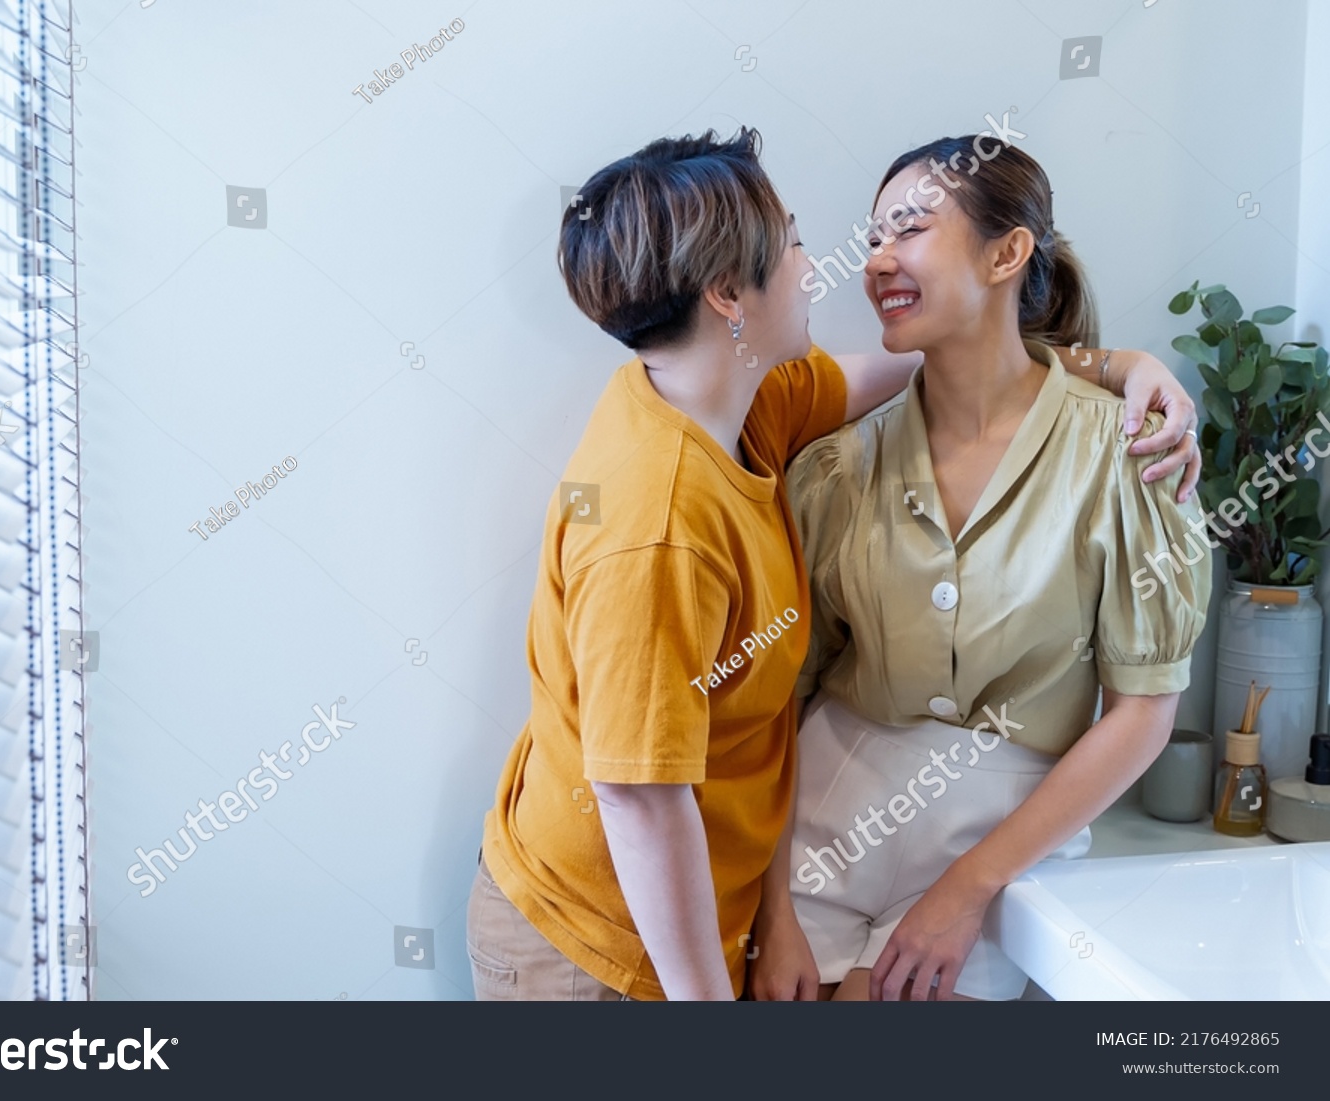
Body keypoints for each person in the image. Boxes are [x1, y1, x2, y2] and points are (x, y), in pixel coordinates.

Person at [468, 127, 1202, 1001]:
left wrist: (1117, 365)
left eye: (906, 230)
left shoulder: (753, 401)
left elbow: (945, 375)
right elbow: (639, 799)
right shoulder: (663, 517)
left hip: (741, 900)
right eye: (794, 244)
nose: (843, 264)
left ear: (1009, 252)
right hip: (600, 940)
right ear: (725, 295)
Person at [749, 135, 1213, 1002]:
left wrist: (965, 890)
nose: (878, 258)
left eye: (910, 229)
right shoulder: (839, 464)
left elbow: (1144, 711)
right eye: (875, 235)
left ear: (1008, 252)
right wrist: (771, 909)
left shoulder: (1125, 454)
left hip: (1003, 846)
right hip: (820, 829)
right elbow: (781, 698)